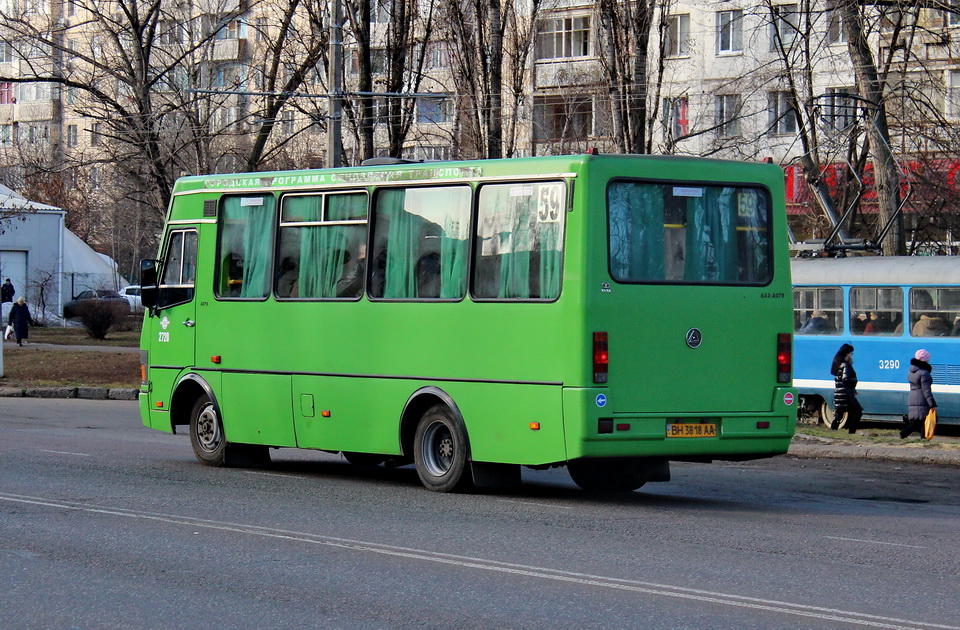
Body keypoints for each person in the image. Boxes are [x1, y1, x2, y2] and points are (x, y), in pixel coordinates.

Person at [901, 349, 937, 439]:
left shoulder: (911, 372)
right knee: (920, 421)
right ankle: (903, 434)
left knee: (921, 421)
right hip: (921, 398)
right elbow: (926, 390)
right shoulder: (924, 373)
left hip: (913, 396)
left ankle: (923, 438)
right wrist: (931, 403)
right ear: (925, 360)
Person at [830, 343, 861, 434]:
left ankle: (833, 429)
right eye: (851, 353)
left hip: (839, 393)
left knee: (839, 415)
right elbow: (846, 379)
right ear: (847, 354)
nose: (852, 355)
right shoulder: (845, 365)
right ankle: (852, 431)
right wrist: (854, 381)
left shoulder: (837, 364)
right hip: (846, 394)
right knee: (858, 411)